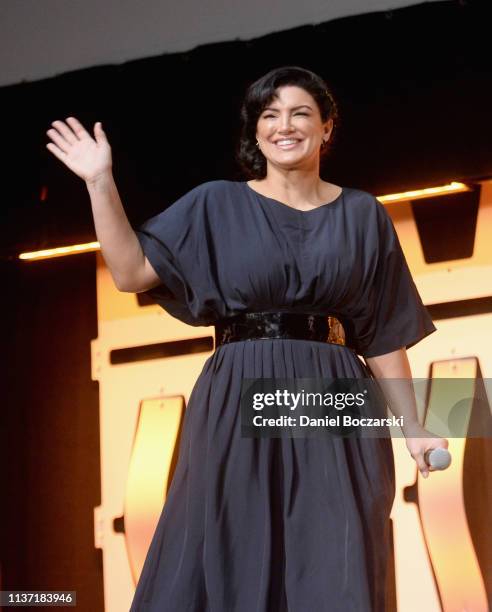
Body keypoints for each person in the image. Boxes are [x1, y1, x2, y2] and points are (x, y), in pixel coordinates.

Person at [46, 65, 448, 612]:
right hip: (238, 394)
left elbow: (381, 332)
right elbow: (131, 271)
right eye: (270, 114)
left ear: (327, 127)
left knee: (337, 558)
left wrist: (414, 427)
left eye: (301, 112)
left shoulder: (363, 214)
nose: (286, 125)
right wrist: (100, 182)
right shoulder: (216, 204)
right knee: (232, 546)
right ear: (256, 132)